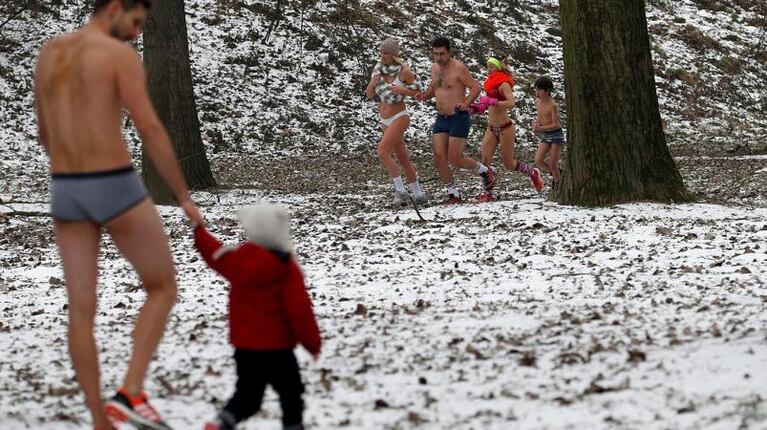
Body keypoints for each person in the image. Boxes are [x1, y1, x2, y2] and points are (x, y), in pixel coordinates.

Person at [33, 0, 204, 428]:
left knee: (81, 309)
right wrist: (182, 194)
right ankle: (129, 391)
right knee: (162, 285)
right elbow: (148, 126)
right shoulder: (117, 55)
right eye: (135, 22)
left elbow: (42, 131)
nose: (136, 34)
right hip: (113, 182)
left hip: (66, 189)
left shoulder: (50, 52)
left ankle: (99, 419)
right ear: (114, 8)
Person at [194, 204, 321, 430]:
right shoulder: (285, 266)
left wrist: (199, 229)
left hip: (245, 349)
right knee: (290, 394)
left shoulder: (238, 259)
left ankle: (223, 422)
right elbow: (299, 309)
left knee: (248, 395)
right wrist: (312, 344)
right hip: (278, 350)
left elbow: (214, 254)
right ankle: (293, 426)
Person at [415, 37, 493, 204]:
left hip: (458, 116)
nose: (438, 57)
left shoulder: (459, 68)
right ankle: (453, 194)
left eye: (442, 53)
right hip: (441, 117)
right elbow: (435, 88)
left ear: (449, 52)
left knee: (455, 158)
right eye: (435, 53)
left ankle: (484, 171)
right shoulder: (434, 68)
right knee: (438, 157)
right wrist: (423, 95)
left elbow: (476, 87)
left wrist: (466, 103)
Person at [365, 37, 428, 207]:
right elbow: (370, 94)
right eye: (380, 52)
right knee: (403, 157)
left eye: (385, 53)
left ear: (393, 54)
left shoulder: (404, 71)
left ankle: (400, 191)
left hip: (399, 115)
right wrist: (372, 83)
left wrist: (403, 90)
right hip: (384, 119)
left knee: (382, 151)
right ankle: (418, 193)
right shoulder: (378, 69)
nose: (382, 56)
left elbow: (420, 93)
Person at [477, 56, 543, 202]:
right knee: (484, 161)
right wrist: (479, 107)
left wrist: (494, 102)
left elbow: (511, 102)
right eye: (487, 66)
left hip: (505, 128)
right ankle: (487, 192)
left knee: (508, 164)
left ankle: (532, 172)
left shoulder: (503, 83)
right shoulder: (489, 83)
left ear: (499, 67)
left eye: (492, 66)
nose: (489, 69)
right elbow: (489, 104)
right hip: (491, 127)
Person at [532, 76, 565, 189]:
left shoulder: (552, 105)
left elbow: (556, 125)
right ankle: (558, 173)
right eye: (536, 90)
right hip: (546, 134)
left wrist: (541, 128)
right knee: (538, 160)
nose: (538, 92)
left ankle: (558, 185)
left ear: (547, 91)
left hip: (556, 135)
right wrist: (537, 125)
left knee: (552, 163)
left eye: (540, 90)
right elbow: (540, 116)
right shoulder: (538, 102)